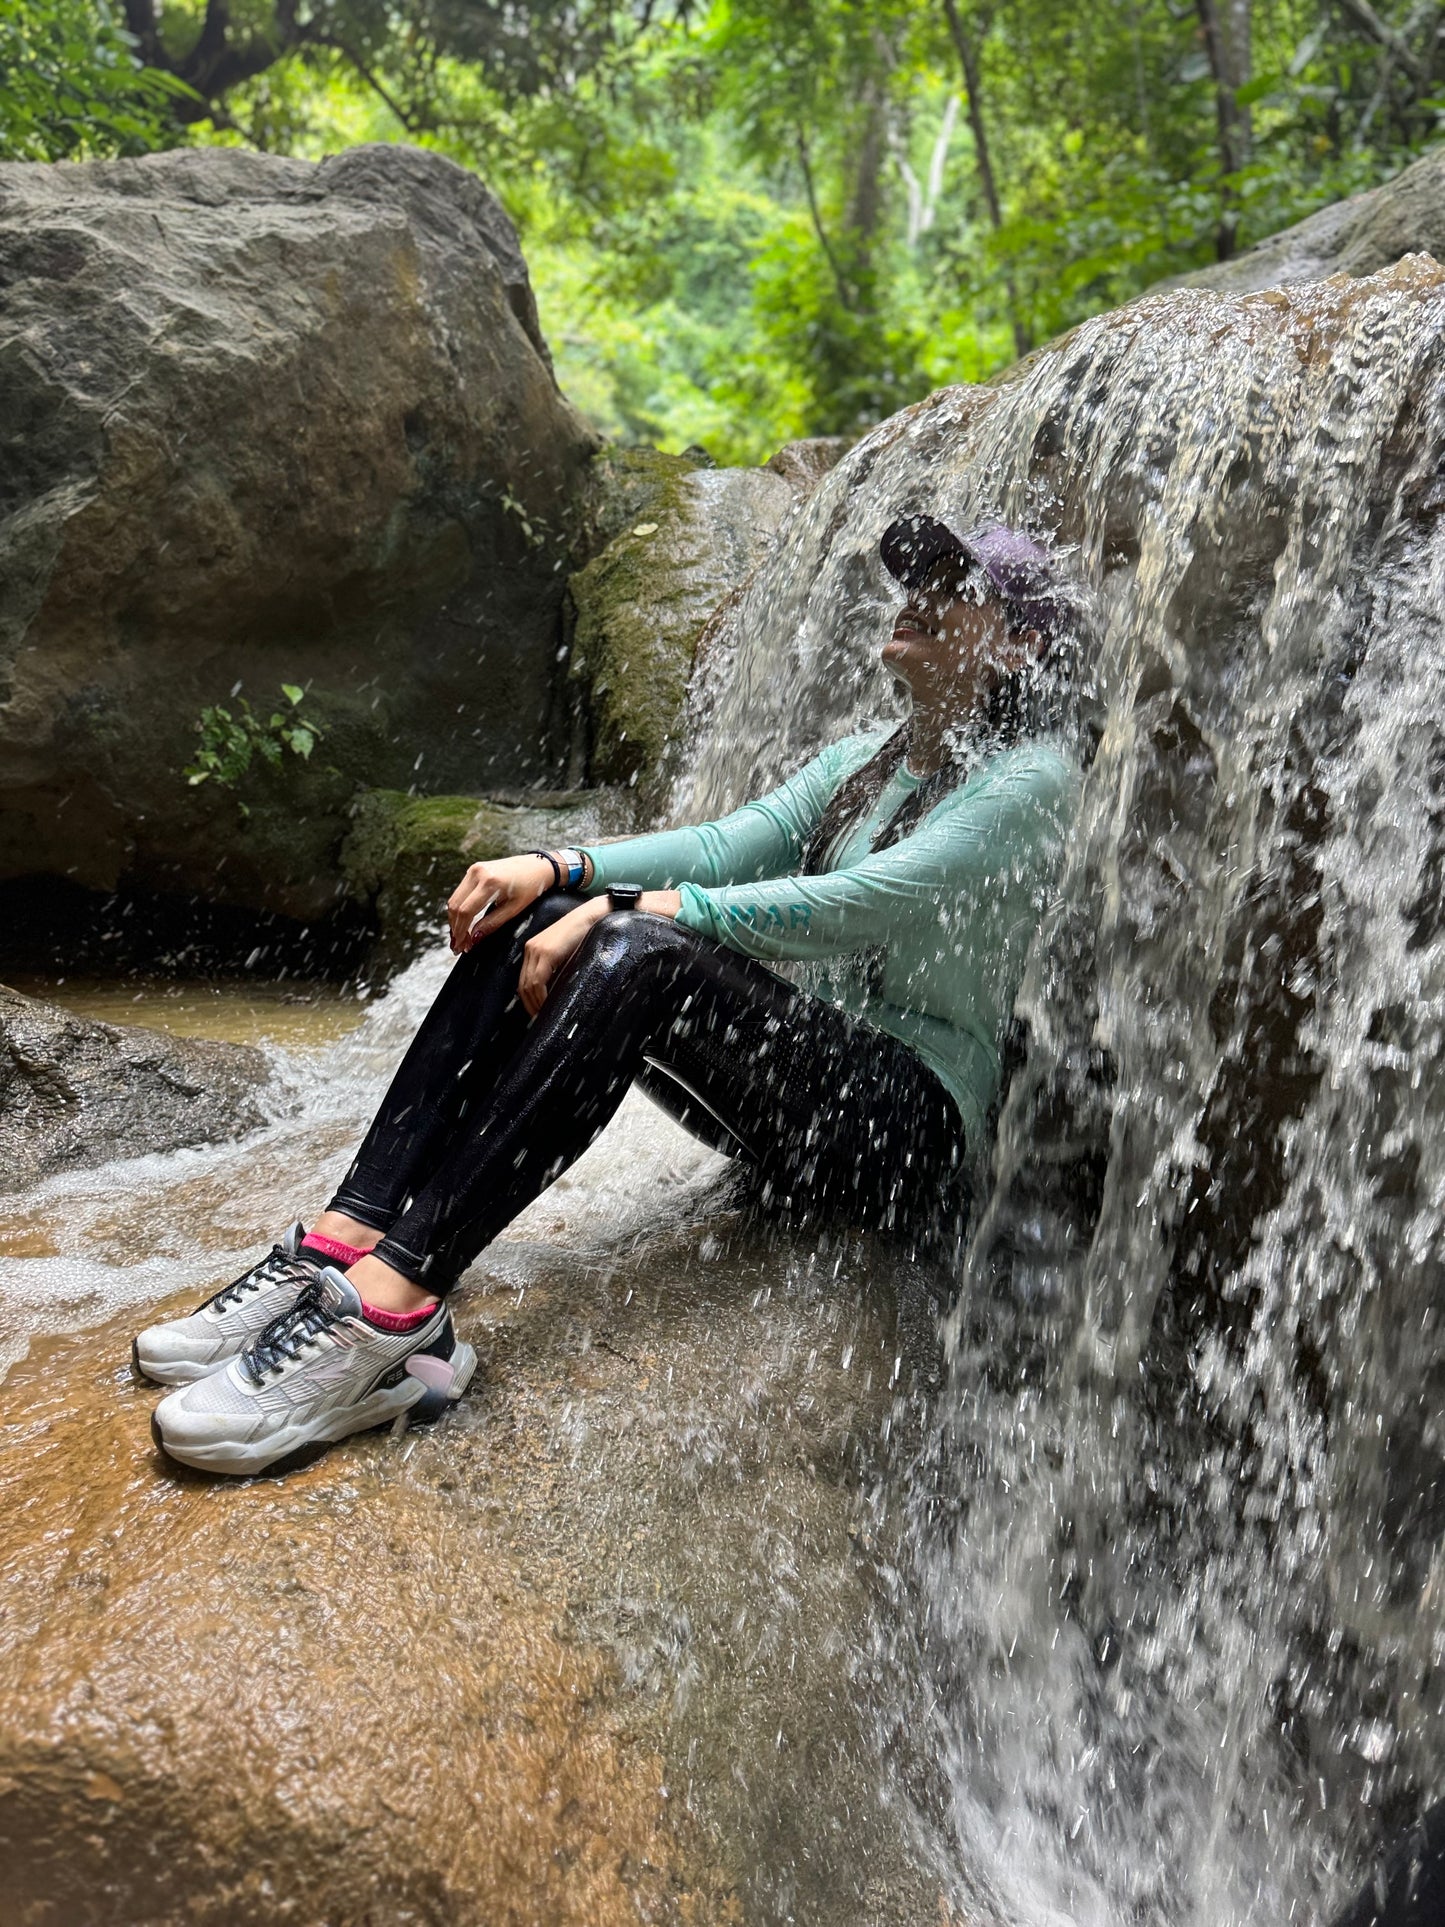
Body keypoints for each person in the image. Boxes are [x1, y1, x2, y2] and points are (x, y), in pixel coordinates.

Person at [136, 514, 1079, 1476]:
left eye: (954, 584)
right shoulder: (863, 758)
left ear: (1019, 642)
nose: (916, 593)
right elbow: (720, 846)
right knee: (540, 911)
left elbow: (853, 905)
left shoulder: (1032, 781)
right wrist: (558, 865)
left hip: (900, 1133)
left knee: (638, 944)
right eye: (914, 575)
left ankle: (397, 1309)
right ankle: (347, 1239)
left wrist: (616, 906)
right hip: (800, 1102)